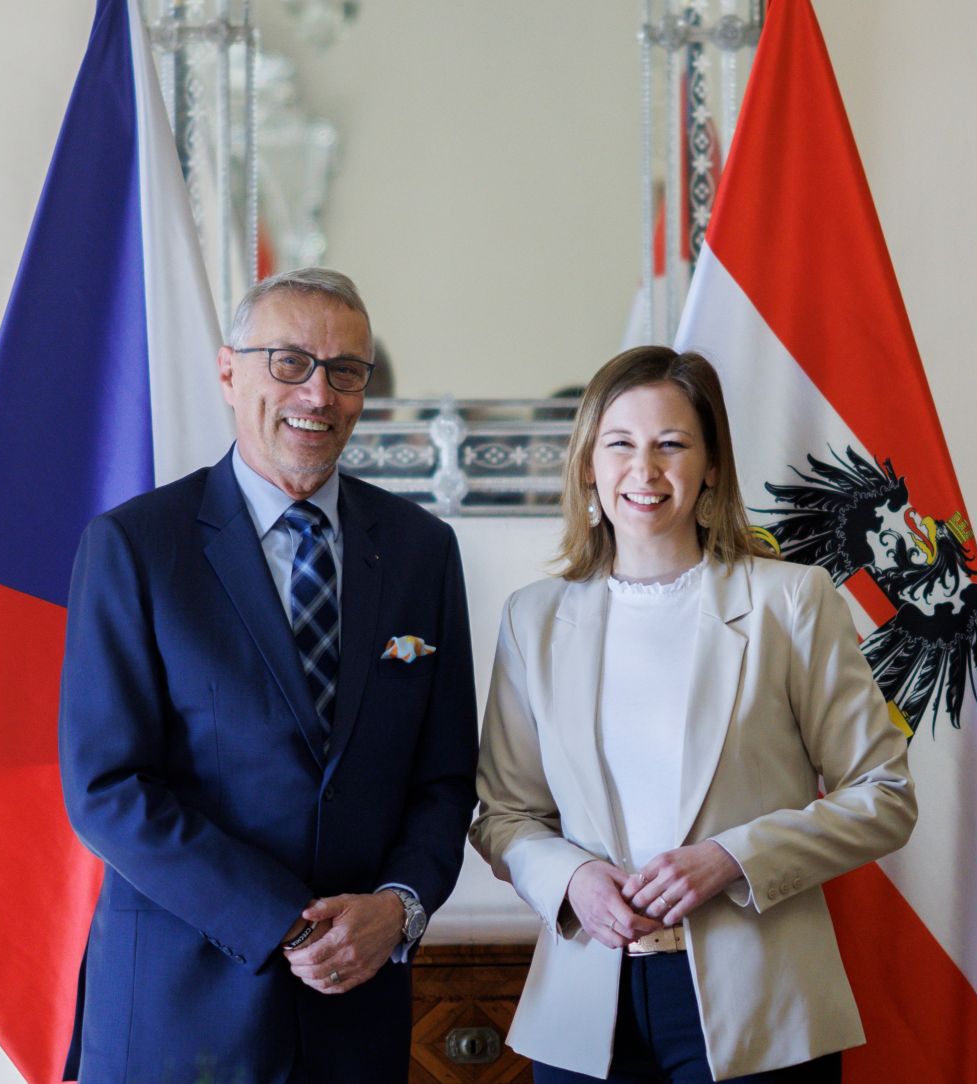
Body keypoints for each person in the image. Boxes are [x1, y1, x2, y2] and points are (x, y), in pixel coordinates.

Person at [58, 268, 479, 1083]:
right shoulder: (137, 546)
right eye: (290, 363)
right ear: (229, 373)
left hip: (357, 1010)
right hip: (182, 1011)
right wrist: (286, 921)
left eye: (345, 371)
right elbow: (107, 788)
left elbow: (445, 777)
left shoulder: (422, 550)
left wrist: (397, 908)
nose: (318, 395)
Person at [469, 347, 917, 1083]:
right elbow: (504, 814)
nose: (643, 471)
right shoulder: (533, 619)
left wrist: (733, 858)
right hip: (587, 1002)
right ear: (589, 465)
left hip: (763, 1004)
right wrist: (572, 880)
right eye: (620, 444)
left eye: (671, 444)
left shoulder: (791, 602)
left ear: (711, 467)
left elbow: (884, 796)